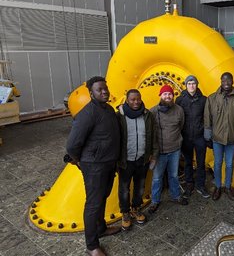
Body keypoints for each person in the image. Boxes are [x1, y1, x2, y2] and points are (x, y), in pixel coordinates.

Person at [66, 76, 121, 256]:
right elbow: (72, 145)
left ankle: (101, 228)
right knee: (93, 204)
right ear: (91, 93)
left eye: (105, 88)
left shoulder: (108, 109)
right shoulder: (87, 114)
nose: (104, 91)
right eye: (99, 89)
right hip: (94, 166)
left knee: (102, 197)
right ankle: (92, 245)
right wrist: (79, 161)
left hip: (108, 163)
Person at [117, 89, 158, 230]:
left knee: (140, 186)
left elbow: (153, 136)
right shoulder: (120, 116)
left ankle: (136, 208)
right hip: (125, 160)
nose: (136, 102)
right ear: (127, 100)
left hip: (142, 159)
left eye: (138, 99)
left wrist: (153, 154)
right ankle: (125, 213)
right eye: (132, 99)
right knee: (124, 188)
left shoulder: (147, 115)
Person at [204, 72, 234, 201]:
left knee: (229, 164)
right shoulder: (212, 98)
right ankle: (217, 186)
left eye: (228, 81)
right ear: (220, 82)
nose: (226, 83)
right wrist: (208, 136)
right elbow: (207, 118)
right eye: (223, 81)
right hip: (217, 138)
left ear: (232, 81)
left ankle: (228, 187)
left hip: (232, 139)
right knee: (217, 164)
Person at [148, 84, 188, 213]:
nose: (167, 96)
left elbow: (180, 126)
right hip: (159, 152)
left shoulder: (179, 110)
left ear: (173, 95)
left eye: (170, 94)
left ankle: (176, 196)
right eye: (165, 94)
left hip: (175, 149)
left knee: (174, 175)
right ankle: (155, 201)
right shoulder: (153, 112)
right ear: (160, 96)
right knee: (157, 177)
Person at [176, 75, 210, 199]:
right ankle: (189, 184)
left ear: (197, 85)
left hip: (199, 137)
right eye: (189, 83)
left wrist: (206, 133)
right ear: (186, 85)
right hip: (186, 137)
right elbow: (177, 118)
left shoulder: (204, 100)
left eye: (193, 83)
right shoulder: (180, 100)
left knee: (201, 162)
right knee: (188, 162)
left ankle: (201, 185)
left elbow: (207, 117)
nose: (191, 86)